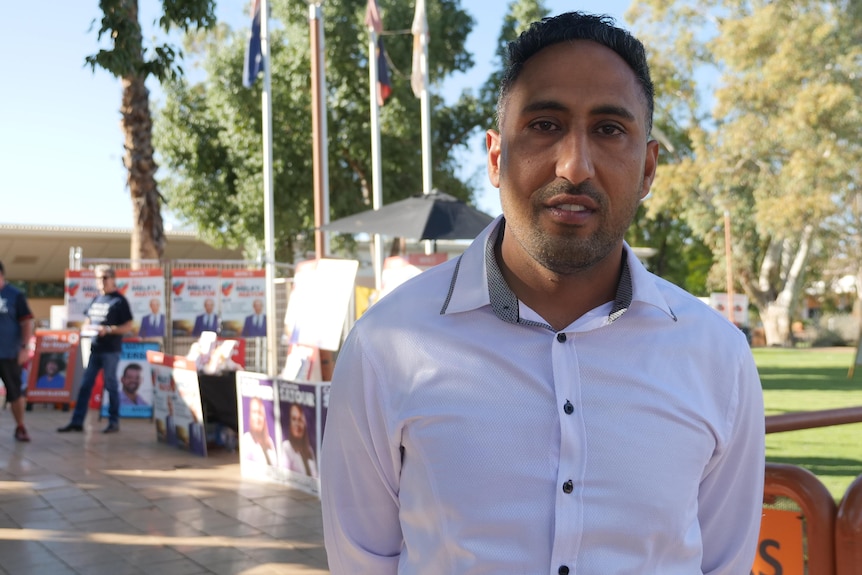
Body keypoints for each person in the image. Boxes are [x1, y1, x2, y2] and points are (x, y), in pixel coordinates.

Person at [320, 12, 765, 575]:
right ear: (496, 157)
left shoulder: (718, 359)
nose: (574, 166)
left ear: (648, 168)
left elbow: (723, 562)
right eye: (544, 125)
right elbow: (362, 560)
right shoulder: (386, 347)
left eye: (608, 129)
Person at [58, 265, 133, 434]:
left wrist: (108, 330)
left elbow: (128, 325)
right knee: (85, 385)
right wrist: (86, 329)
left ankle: (113, 422)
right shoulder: (96, 299)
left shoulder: (119, 301)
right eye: (99, 278)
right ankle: (77, 422)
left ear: (113, 279)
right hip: (95, 349)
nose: (102, 281)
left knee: (111, 385)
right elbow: (88, 320)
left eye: (105, 277)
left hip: (111, 350)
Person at [0, 261, 34, 442]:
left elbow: (26, 323)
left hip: (9, 354)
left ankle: (20, 426)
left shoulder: (15, 295)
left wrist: (24, 347)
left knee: (14, 393)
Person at [281, 403, 317, 477]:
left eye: (300, 419)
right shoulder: (286, 448)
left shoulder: (309, 450)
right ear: (290, 423)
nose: (297, 424)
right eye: (294, 419)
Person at [240, 396, 276, 465]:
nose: (257, 417)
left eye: (260, 413)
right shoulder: (246, 440)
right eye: (254, 412)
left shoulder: (269, 441)